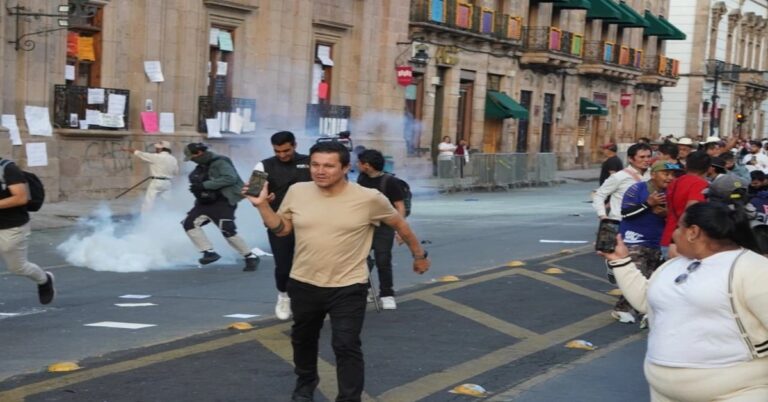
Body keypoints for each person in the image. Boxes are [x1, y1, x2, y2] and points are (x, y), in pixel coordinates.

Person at [244, 141, 430, 402]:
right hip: (304, 283)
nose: (320, 171)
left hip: (349, 286)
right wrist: (261, 205)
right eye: (315, 165)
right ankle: (305, 386)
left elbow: (400, 225)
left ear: (346, 168)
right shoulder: (297, 191)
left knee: (346, 346)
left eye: (329, 166)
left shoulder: (369, 198)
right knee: (303, 340)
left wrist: (418, 255)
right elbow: (283, 229)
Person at [600, 202, 768, 401]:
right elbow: (647, 302)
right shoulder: (672, 266)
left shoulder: (754, 268)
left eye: (679, 227)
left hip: (739, 391)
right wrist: (620, 261)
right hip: (663, 390)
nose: (674, 233)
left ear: (693, 232)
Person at [612, 160, 681, 324]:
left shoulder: (672, 192)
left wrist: (665, 213)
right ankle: (622, 309)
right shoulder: (637, 189)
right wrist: (647, 204)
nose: (670, 178)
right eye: (666, 174)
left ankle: (647, 309)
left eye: (672, 175)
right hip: (634, 239)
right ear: (654, 174)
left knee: (653, 278)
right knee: (637, 272)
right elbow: (626, 213)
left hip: (658, 241)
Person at [253, 131, 312, 320]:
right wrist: (263, 199)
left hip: (310, 221)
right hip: (278, 222)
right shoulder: (263, 165)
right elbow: (254, 192)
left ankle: (307, 300)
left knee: (311, 264)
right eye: (277, 151)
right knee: (283, 265)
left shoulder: (310, 162)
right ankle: (284, 296)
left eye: (286, 150)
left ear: (295, 145)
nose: (282, 155)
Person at [182, 143, 260, 271]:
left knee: (227, 230)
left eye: (192, 157)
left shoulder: (220, 162)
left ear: (199, 153)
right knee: (189, 223)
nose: (192, 160)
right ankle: (208, 252)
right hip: (205, 203)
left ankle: (250, 256)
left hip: (224, 200)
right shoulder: (201, 167)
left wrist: (204, 185)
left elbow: (230, 178)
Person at [0, 157, 54, 305]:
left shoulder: (8, 169)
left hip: (11, 226)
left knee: (18, 267)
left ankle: (44, 279)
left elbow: (20, 198)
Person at [356, 149, 406, 310]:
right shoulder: (361, 179)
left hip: (384, 227)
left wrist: (400, 229)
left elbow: (400, 206)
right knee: (360, 259)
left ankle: (387, 294)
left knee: (383, 260)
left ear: (367, 165)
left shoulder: (389, 181)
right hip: (365, 225)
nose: (357, 165)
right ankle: (366, 289)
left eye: (360, 163)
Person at [660, 151, 711, 258]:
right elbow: (692, 209)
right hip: (685, 242)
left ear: (686, 165)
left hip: (668, 236)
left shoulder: (675, 182)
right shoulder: (700, 183)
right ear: (708, 168)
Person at [593, 143, 653, 221]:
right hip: (620, 221)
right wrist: (602, 215)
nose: (646, 160)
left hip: (644, 223)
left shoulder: (654, 175)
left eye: (649, 156)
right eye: (642, 157)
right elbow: (599, 195)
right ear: (630, 159)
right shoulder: (619, 176)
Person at [123, 140, 179, 213]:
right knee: (167, 203)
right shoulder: (173, 159)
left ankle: (145, 221)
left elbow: (139, 153)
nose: (156, 149)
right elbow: (176, 172)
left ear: (161, 149)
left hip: (156, 182)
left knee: (148, 203)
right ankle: (169, 218)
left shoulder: (155, 156)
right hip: (167, 183)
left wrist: (127, 149)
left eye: (157, 148)